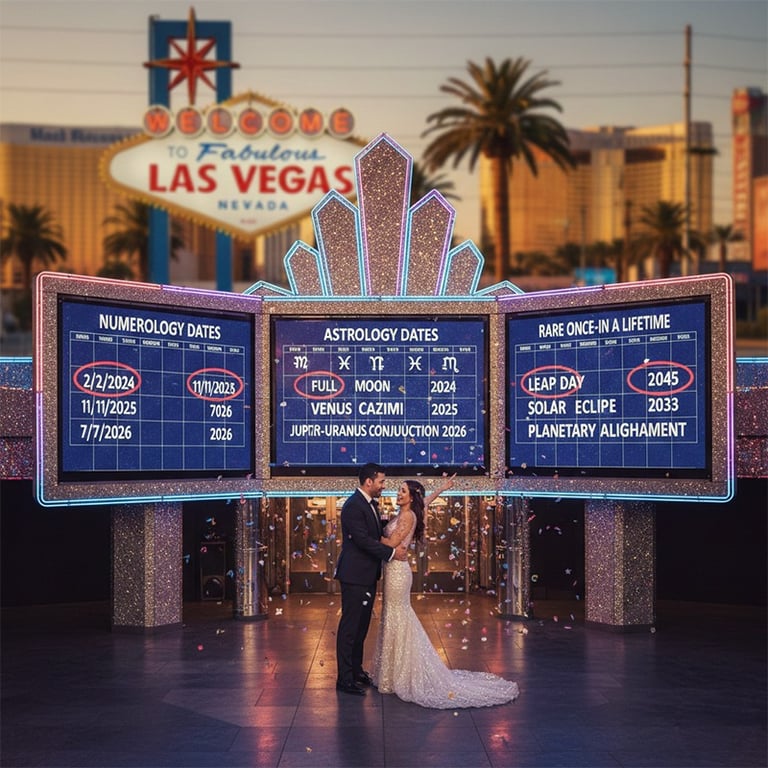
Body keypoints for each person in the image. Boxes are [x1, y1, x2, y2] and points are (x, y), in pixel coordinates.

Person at [372, 476, 520, 708]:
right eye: (399, 490)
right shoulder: (410, 512)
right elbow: (427, 501)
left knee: (397, 617)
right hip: (393, 570)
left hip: (398, 573)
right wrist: (442, 488)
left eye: (402, 491)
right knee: (393, 617)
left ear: (411, 497)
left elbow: (391, 544)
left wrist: (368, 536)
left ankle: (398, 676)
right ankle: (391, 674)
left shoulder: (408, 516)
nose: (398, 494)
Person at [334, 462, 407, 696]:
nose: (383, 486)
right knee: (349, 628)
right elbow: (364, 541)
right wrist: (393, 553)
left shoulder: (368, 504)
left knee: (361, 627)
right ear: (369, 482)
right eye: (381, 481)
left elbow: (376, 532)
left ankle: (356, 671)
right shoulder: (354, 506)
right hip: (354, 576)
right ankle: (344, 679)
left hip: (366, 575)